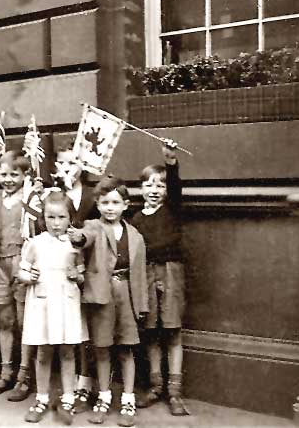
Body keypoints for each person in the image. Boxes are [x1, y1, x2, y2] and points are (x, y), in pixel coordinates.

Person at [68, 176, 148, 427]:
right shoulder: (94, 227)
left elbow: (141, 274)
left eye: (115, 202)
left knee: (126, 348)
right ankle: (103, 396)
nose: (110, 207)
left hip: (126, 295)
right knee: (102, 348)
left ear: (125, 204)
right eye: (104, 202)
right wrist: (77, 237)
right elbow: (84, 238)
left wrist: (142, 306)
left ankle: (128, 399)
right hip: (102, 296)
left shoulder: (135, 235)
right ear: (98, 204)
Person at [130, 141, 189, 416]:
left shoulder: (172, 210)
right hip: (147, 274)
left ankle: (175, 393)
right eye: (149, 185)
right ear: (140, 189)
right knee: (152, 332)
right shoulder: (136, 219)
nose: (154, 191)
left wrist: (170, 161)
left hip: (171, 273)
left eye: (160, 186)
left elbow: (176, 187)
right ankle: (156, 386)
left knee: (173, 331)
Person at [19, 192, 88, 425]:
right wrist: (28, 277)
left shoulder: (75, 245)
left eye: (61, 217)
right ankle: (41, 397)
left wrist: (77, 275)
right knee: (43, 352)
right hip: (43, 303)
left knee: (68, 351)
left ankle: (68, 398)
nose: (56, 223)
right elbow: (21, 271)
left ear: (70, 218)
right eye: (50, 217)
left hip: (66, 302)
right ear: (43, 218)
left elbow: (82, 274)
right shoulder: (35, 243)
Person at [50, 143, 99, 413]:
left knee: (88, 324)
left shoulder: (93, 194)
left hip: (89, 264)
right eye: (63, 164)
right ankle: (70, 382)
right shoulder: (56, 194)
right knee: (72, 324)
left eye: (73, 164)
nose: (68, 169)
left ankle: (87, 379)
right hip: (63, 265)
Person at [0, 150, 33, 401]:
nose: (8, 179)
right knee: (5, 320)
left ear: (25, 175)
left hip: (22, 264)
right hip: (0, 264)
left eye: (15, 174)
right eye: (3, 174)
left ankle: (25, 376)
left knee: (25, 323)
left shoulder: (31, 198)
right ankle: (6, 372)